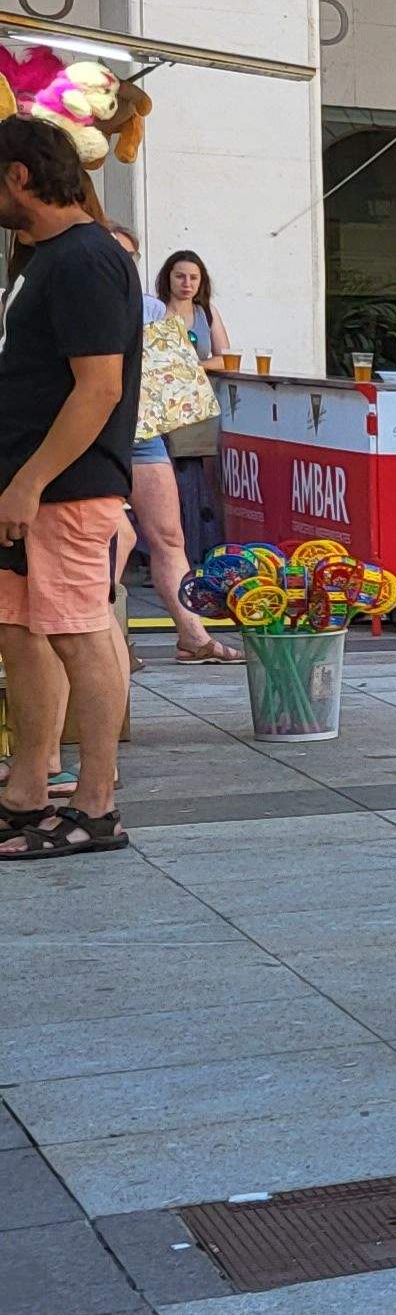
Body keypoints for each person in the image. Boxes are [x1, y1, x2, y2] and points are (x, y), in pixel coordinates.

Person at [0, 117, 137, 858]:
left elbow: (98, 389)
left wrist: (29, 482)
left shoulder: (85, 257)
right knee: (21, 632)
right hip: (29, 486)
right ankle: (26, 792)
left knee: (79, 633)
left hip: (64, 488)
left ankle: (96, 805)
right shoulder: (43, 257)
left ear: (20, 176)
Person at [113, 242, 225, 664]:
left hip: (141, 427)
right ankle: (107, 641)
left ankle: (193, 636)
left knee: (169, 535)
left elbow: (173, 370)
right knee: (115, 536)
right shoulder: (76, 297)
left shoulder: (150, 309)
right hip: (95, 428)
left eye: (128, 256)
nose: (121, 262)